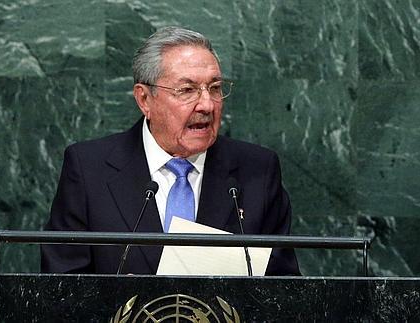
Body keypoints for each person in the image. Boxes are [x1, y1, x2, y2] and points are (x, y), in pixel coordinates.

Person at [41, 27, 300, 275]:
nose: (207, 105)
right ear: (145, 100)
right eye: (187, 90)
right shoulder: (89, 169)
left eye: (215, 88)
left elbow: (283, 287)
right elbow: (62, 284)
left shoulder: (257, 171)